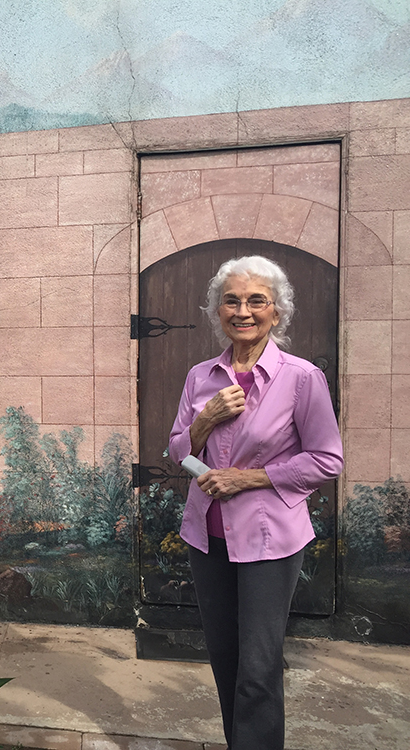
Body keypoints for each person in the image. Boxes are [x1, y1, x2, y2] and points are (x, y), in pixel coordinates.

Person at [168, 255, 343, 750]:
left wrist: (247, 479)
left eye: (256, 300)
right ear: (217, 310)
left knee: (258, 670)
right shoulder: (201, 376)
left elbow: (327, 460)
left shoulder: (302, 378)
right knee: (226, 663)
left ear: (277, 311)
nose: (243, 310)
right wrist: (203, 423)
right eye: (231, 300)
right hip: (206, 538)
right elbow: (179, 451)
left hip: (271, 542)